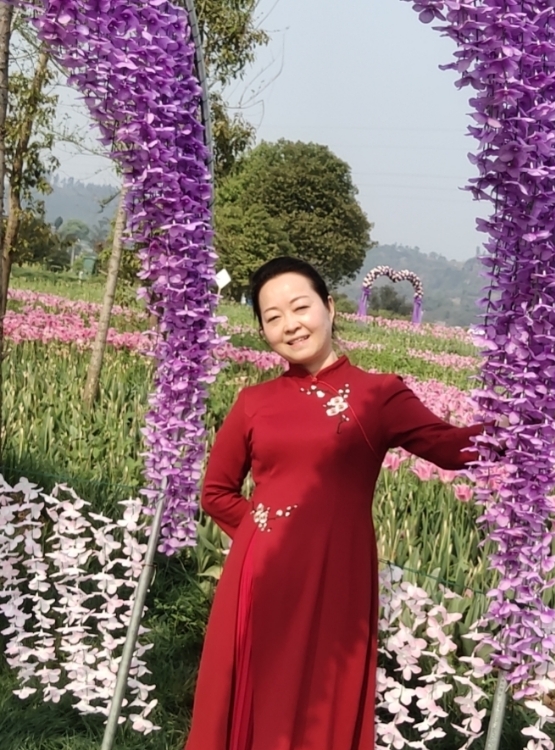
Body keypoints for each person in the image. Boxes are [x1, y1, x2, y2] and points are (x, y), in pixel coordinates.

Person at [185, 256, 485, 750]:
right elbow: (216, 492)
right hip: (261, 576)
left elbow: (450, 448)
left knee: (323, 702)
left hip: (337, 578)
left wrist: (523, 422)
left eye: (300, 307)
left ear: (329, 307)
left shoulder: (378, 396)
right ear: (263, 331)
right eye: (273, 317)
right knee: (255, 696)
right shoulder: (253, 403)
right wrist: (267, 533)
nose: (290, 324)